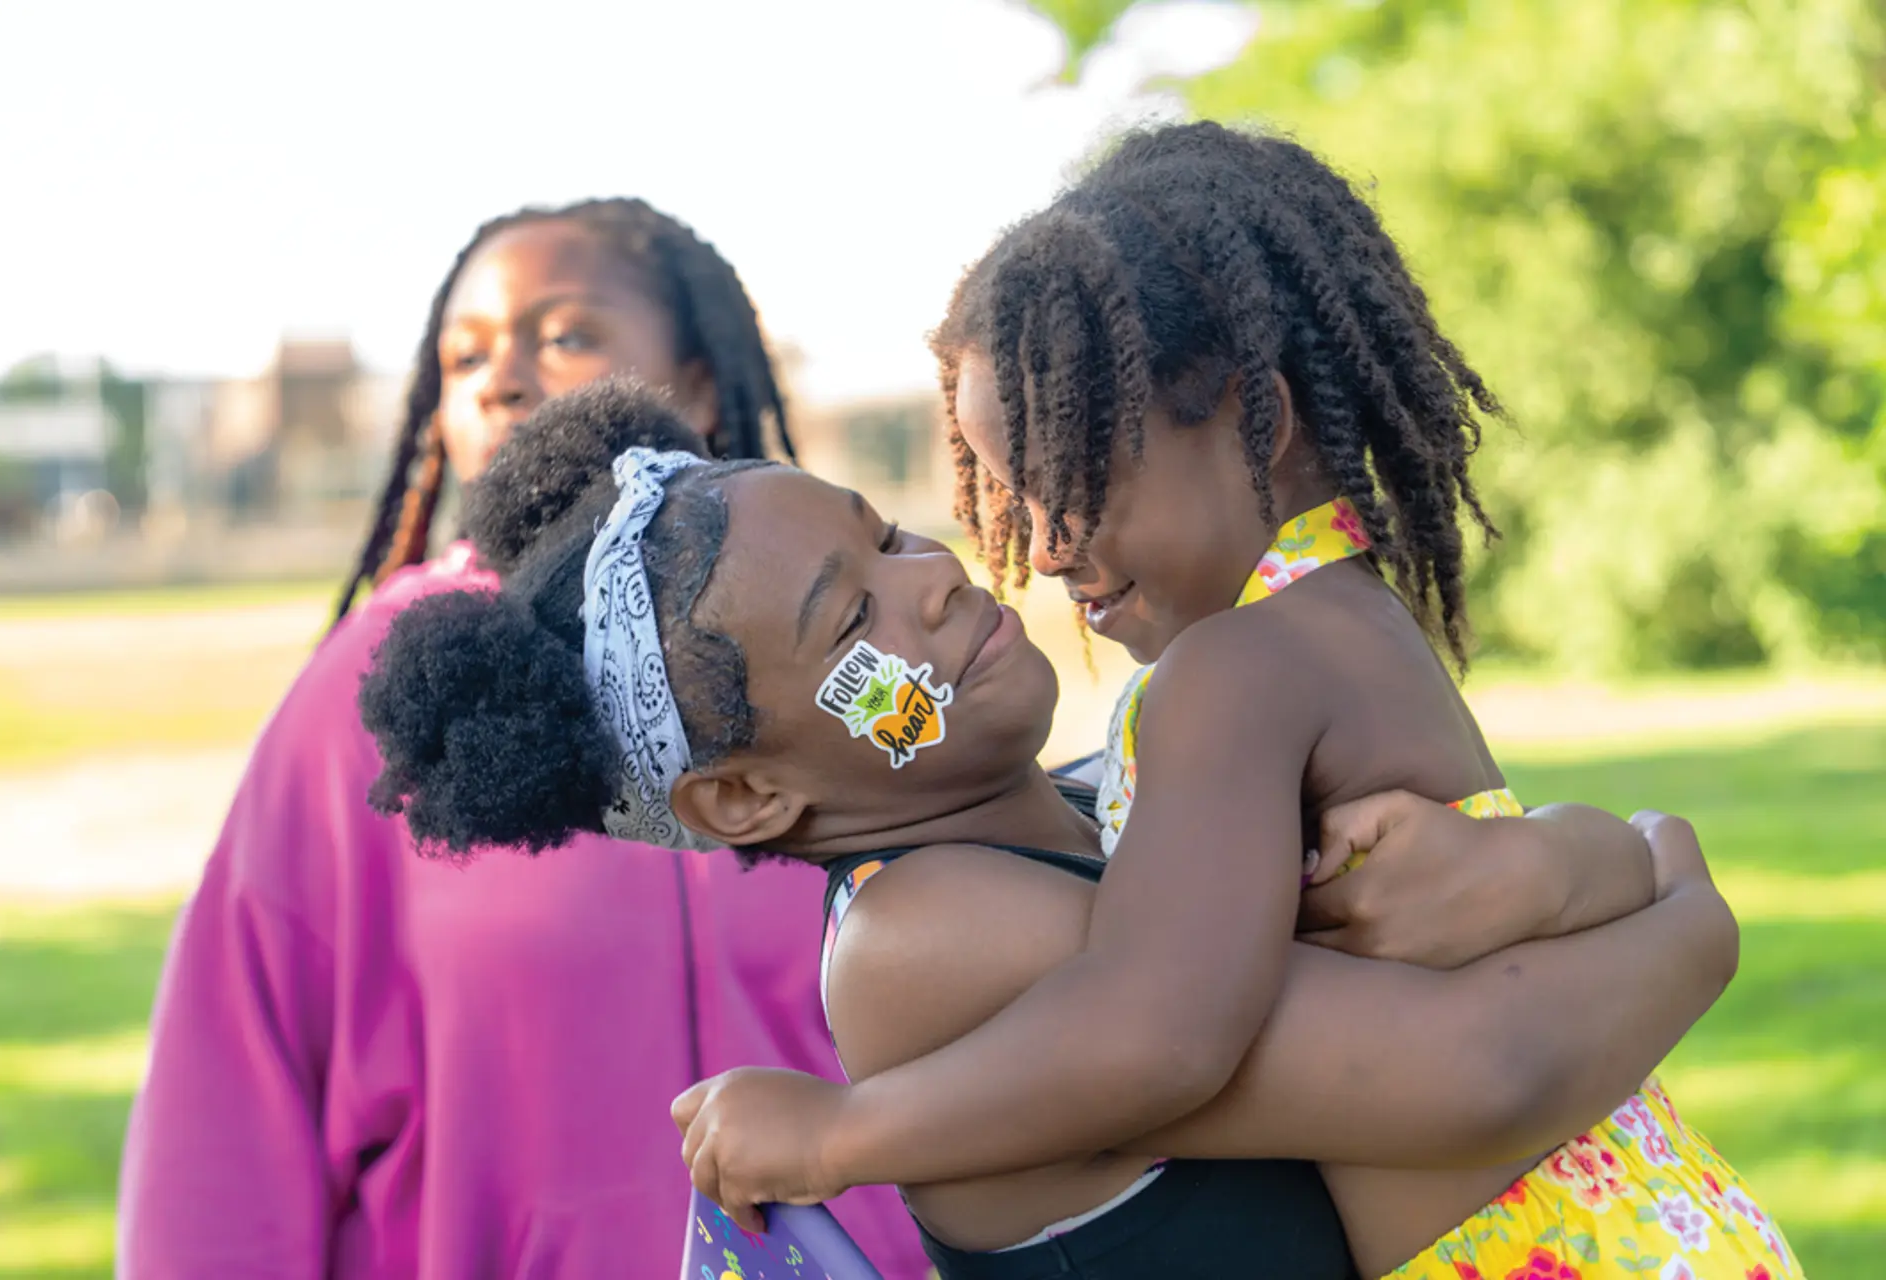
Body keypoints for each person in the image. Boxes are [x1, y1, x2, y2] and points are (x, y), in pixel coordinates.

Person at [672, 123, 1803, 1280]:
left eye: (1077, 481)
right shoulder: (1342, 615)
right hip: (1653, 1213)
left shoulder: (1235, 669)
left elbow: (1157, 1028)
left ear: (1260, 419)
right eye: (1015, 494)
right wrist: (1634, 860)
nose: (1049, 546)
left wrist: (838, 1134)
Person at [360, 381, 1741, 1279]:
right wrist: (1677, 893)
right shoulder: (929, 938)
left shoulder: (1101, 792)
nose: (937, 587)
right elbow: (1481, 1061)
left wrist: (1564, 860)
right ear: (748, 802)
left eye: (891, 537)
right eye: (852, 625)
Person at [115, 199, 925, 1279]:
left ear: (689, 380)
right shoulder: (376, 684)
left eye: (565, 333)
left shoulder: (837, 631)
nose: (502, 375)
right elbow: (230, 1087)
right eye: (466, 354)